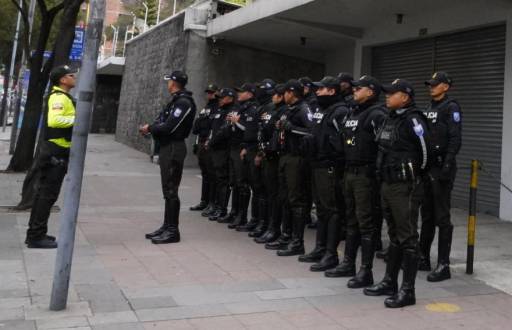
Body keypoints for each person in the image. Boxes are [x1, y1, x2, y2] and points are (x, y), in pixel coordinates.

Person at [364, 79, 431, 308]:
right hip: (387, 183)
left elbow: (425, 152)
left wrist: (414, 177)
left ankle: (408, 290)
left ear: (405, 97)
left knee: (408, 237)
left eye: (392, 93)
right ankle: (390, 282)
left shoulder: (413, 119)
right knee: (393, 235)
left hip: (405, 186)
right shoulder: (390, 118)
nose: (387, 96)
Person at [327, 75, 387, 287]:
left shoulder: (377, 114)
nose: (354, 91)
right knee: (351, 219)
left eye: (358, 88)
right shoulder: (354, 111)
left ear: (370, 91)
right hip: (349, 172)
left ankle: (366, 270)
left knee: (365, 223)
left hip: (365, 175)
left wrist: (377, 172)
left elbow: (384, 146)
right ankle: (348, 263)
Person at [298, 76, 348, 271]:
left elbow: (342, 142)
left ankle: (331, 253)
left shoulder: (340, 111)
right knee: (321, 209)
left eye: (321, 89)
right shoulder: (321, 109)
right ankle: (320, 248)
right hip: (316, 164)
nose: (317, 92)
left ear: (332, 91)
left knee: (331, 210)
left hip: (329, 166)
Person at [25, 65, 77, 249]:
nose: (74, 76)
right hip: (55, 152)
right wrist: (77, 121)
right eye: (71, 75)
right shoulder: (58, 98)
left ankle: (37, 233)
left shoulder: (61, 97)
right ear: (63, 80)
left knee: (45, 195)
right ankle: (35, 236)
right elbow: (54, 120)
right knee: (47, 195)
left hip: (56, 151)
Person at [141, 71, 197, 244]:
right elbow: (162, 122)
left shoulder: (184, 102)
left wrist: (150, 128)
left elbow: (170, 127)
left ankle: (173, 231)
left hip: (174, 147)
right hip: (168, 147)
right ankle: (167, 226)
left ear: (174, 83)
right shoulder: (176, 101)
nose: (168, 84)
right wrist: (152, 127)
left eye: (169, 81)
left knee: (171, 190)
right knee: (168, 190)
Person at [419, 72, 462, 282]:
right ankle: (423, 258)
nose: (431, 87)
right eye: (430, 84)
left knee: (442, 216)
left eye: (435, 85)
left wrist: (447, 163)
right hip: (428, 168)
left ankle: (443, 265)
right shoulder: (430, 108)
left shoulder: (451, 107)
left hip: (441, 168)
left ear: (446, 86)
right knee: (426, 214)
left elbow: (455, 138)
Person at [275, 79, 314, 256]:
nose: (283, 95)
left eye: (286, 92)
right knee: (284, 198)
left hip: (297, 158)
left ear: (292, 93)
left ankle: (297, 242)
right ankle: (286, 236)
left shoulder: (303, 109)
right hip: (285, 156)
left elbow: (311, 131)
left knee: (295, 199)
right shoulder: (287, 109)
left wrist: (291, 128)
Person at [255, 84, 288, 244]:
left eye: (275, 95)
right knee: (268, 192)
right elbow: (265, 131)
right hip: (268, 154)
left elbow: (276, 134)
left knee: (275, 195)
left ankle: (274, 228)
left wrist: (268, 148)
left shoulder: (284, 111)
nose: (272, 97)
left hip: (275, 156)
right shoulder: (274, 110)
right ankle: (268, 225)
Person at [207, 88, 238, 222]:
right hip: (216, 148)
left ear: (230, 98)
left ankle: (222, 209)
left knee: (223, 180)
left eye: (222, 97)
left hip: (223, 149)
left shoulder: (232, 111)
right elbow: (213, 128)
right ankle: (216, 205)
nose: (220, 99)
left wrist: (212, 142)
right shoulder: (220, 110)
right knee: (216, 178)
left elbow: (224, 131)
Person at [190, 84, 219, 214]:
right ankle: (204, 201)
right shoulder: (205, 108)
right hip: (201, 143)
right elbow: (197, 127)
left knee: (212, 175)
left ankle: (212, 203)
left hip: (210, 144)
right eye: (208, 92)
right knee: (205, 174)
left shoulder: (218, 108)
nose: (209, 95)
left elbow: (213, 128)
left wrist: (209, 142)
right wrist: (196, 143)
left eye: (212, 92)